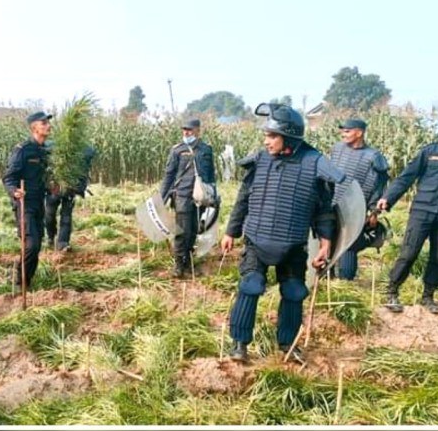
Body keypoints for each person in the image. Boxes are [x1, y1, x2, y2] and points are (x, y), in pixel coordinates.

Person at [221, 103, 345, 364]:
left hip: (293, 244)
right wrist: (230, 232)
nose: (266, 141)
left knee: (294, 292)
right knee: (251, 286)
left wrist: (325, 245)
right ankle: (239, 344)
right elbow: (243, 198)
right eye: (265, 135)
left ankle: (288, 345)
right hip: (256, 238)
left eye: (272, 136)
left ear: (288, 136)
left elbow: (324, 211)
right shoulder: (260, 160)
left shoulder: (314, 163)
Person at [377, 111, 438, 314]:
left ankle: (428, 297)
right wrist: (388, 198)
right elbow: (406, 177)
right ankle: (392, 291)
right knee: (409, 253)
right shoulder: (429, 151)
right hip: (423, 210)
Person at [329, 119, 389, 280]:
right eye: (343, 131)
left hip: (356, 208)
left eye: (347, 131)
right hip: (332, 204)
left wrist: (374, 212)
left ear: (359, 132)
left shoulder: (373, 157)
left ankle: (345, 284)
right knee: (328, 242)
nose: (343, 134)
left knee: (349, 245)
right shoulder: (337, 149)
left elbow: (379, 186)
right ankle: (326, 280)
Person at [159, 118, 217, 278]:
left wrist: (214, 194)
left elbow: (211, 174)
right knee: (182, 231)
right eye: (184, 130)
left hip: (201, 197)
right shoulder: (177, 150)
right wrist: (161, 198)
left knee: (194, 230)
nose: (186, 132)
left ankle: (189, 262)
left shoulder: (206, 149)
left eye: (190, 130)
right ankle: (179, 264)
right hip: (182, 196)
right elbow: (169, 175)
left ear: (198, 131)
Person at [2, 111, 53, 288]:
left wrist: (52, 187)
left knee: (37, 245)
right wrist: (13, 191)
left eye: (48, 122)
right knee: (31, 245)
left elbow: (44, 179)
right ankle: (19, 281)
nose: (48, 125)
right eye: (44, 123)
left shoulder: (46, 151)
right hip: (24, 203)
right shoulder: (22, 150)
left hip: (39, 203)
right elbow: (8, 177)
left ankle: (27, 281)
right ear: (34, 127)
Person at [45, 144, 97, 252]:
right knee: (49, 215)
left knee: (66, 217)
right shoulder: (56, 154)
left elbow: (83, 174)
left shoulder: (81, 159)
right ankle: (51, 237)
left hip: (70, 190)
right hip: (54, 190)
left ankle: (62, 243)